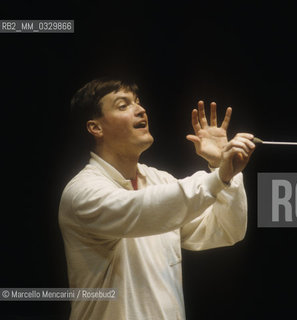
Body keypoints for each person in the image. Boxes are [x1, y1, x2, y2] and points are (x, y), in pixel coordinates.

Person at [58, 77, 256, 320]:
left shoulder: (160, 180)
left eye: (138, 103)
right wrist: (219, 177)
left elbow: (227, 230)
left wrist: (219, 167)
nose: (140, 109)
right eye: (123, 105)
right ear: (95, 128)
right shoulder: (82, 192)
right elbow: (144, 208)